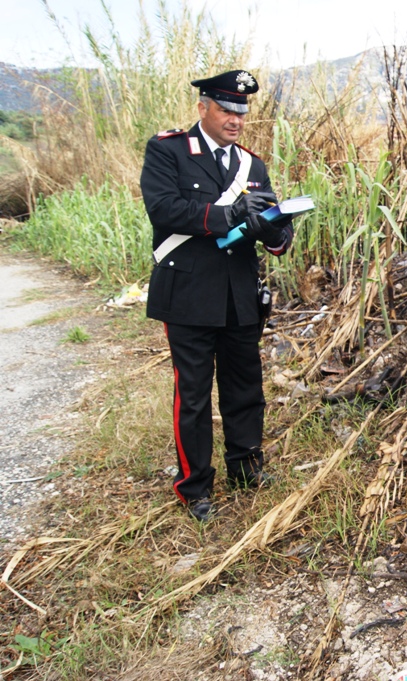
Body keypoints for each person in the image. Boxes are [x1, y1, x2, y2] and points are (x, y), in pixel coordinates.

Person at [140, 69, 293, 521]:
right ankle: (195, 487)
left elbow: (270, 233)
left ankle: (247, 469)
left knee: (245, 386)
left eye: (241, 112)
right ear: (203, 107)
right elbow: (164, 209)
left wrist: (277, 228)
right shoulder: (168, 151)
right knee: (193, 395)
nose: (235, 119)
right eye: (226, 109)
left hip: (240, 293)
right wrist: (228, 213)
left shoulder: (252, 165)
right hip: (187, 290)